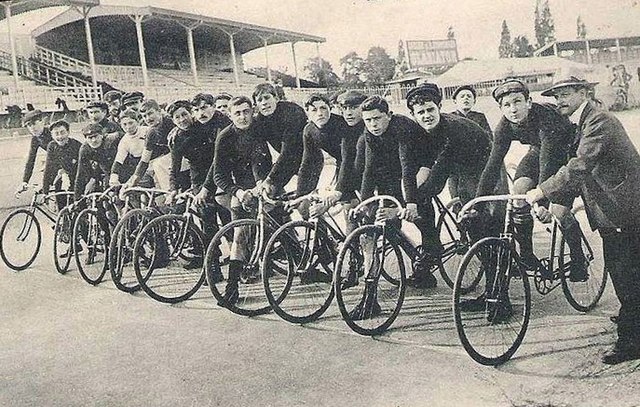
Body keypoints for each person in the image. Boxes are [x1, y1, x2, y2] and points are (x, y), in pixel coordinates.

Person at [527, 76, 640, 365]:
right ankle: (632, 316)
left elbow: (579, 166)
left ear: (583, 92)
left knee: (626, 275)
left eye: (566, 93)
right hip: (614, 210)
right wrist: (552, 201)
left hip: (623, 209)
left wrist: (542, 190)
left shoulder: (598, 121)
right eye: (556, 96)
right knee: (624, 272)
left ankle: (632, 341)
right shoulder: (581, 122)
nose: (559, 100)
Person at [475, 79, 587, 281]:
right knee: (519, 191)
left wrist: (543, 202)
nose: (513, 109)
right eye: (507, 105)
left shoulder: (545, 117)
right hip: (539, 150)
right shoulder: (504, 125)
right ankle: (526, 255)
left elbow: (549, 162)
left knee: (559, 211)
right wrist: (477, 202)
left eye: (517, 102)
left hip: (566, 152)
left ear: (529, 101)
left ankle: (579, 259)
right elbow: (493, 164)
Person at [404, 83, 493, 288]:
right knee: (418, 196)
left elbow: (438, 175)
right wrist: (410, 200)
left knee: (477, 222)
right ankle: (431, 247)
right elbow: (412, 166)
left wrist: (416, 199)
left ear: (439, 108)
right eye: (421, 112)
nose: (426, 115)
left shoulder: (453, 128)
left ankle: (494, 289)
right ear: (413, 114)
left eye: (430, 110)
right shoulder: (416, 131)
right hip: (455, 164)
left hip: (482, 166)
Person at [206, 96, 273, 306]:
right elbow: (219, 175)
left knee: (280, 221)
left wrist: (263, 182)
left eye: (246, 111)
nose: (243, 117)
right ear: (230, 115)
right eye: (237, 113)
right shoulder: (225, 137)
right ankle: (232, 287)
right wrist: (237, 192)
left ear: (252, 111)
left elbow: (262, 159)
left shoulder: (260, 127)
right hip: (241, 188)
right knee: (240, 234)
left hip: (266, 179)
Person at [252, 83, 306, 195]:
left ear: (276, 98)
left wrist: (270, 178)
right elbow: (259, 154)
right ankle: (281, 212)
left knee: (303, 202)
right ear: (256, 105)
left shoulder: (293, 112)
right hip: (287, 163)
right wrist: (260, 180)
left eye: (267, 98)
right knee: (269, 192)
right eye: (259, 100)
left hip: (307, 159)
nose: (264, 103)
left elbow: (289, 150)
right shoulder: (259, 121)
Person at [126, 99, 175, 190]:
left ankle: (171, 193)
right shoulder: (151, 132)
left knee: (158, 164)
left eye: (150, 113)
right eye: (144, 116)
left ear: (159, 111)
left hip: (186, 155)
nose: (148, 118)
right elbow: (144, 160)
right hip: (171, 159)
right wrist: (134, 180)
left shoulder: (171, 121)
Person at [41, 120, 82, 209]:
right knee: (62, 208)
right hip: (62, 181)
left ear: (68, 132)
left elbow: (83, 168)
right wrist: (45, 191)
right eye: (56, 134)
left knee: (77, 209)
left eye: (62, 132)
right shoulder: (52, 146)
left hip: (78, 179)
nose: (60, 137)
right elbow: (48, 168)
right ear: (52, 135)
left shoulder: (76, 145)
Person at [74, 124, 119, 200]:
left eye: (96, 136)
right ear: (86, 139)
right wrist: (77, 199)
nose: (94, 140)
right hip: (105, 172)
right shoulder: (85, 149)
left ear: (102, 135)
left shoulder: (111, 140)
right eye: (90, 138)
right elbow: (81, 173)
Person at [15, 110, 53, 195]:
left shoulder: (52, 133)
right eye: (29, 125)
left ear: (42, 121)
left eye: (34, 123)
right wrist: (25, 181)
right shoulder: (36, 138)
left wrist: (45, 183)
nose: (32, 128)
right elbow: (30, 160)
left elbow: (57, 158)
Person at [109, 109, 150, 187]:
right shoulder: (124, 141)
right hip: (139, 167)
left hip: (154, 161)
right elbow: (118, 160)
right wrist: (113, 177)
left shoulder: (147, 131)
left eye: (131, 123)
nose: (128, 127)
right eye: (124, 124)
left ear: (137, 122)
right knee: (126, 191)